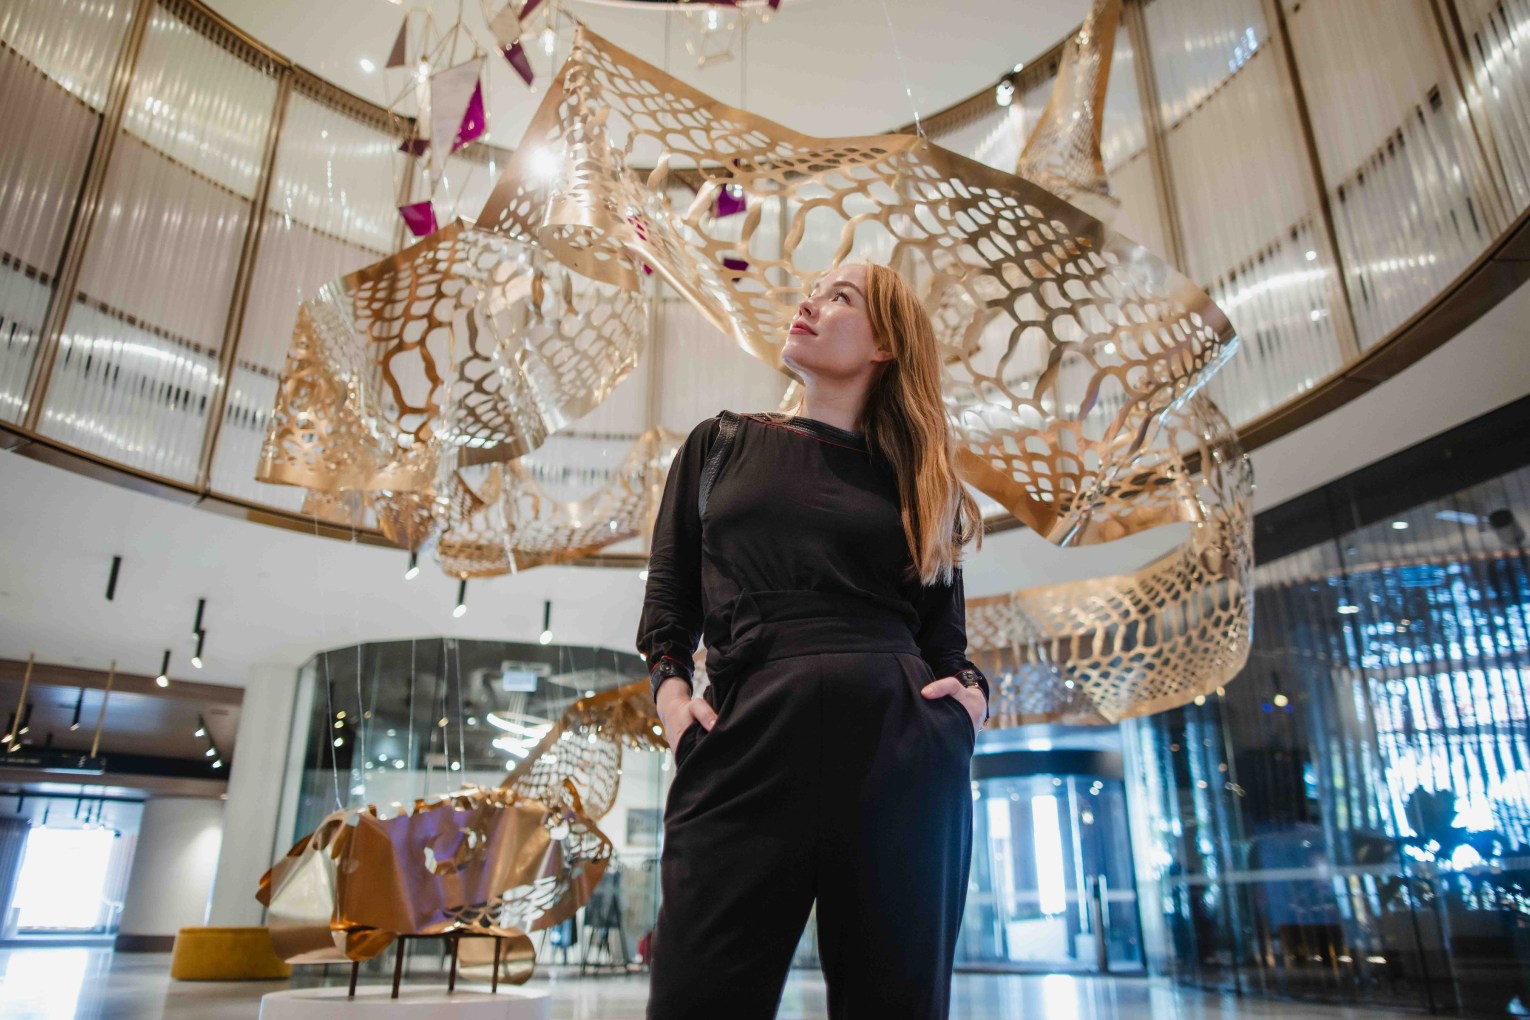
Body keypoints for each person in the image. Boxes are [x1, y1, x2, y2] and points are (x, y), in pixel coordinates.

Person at [637, 259, 989, 1020]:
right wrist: (671, 700)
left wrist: (965, 713)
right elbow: (669, 602)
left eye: (841, 298)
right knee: (698, 999)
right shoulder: (720, 444)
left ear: (885, 345)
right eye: (815, 290)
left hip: (902, 754)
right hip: (746, 738)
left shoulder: (922, 479)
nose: (811, 302)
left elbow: (945, 642)